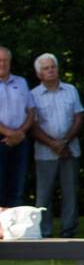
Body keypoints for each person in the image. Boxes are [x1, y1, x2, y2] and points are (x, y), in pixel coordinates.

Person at [29, 53, 84, 238]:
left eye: (53, 66)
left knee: (70, 193)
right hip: (45, 153)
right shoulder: (33, 95)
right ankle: (44, 232)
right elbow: (33, 125)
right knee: (44, 196)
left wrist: (64, 142)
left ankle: (68, 231)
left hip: (70, 150)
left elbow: (78, 118)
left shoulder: (70, 90)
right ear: (39, 74)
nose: (51, 70)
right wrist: (53, 144)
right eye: (46, 68)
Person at [0, 46, 35, 208]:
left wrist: (20, 133)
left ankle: (13, 228)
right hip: (2, 138)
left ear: (10, 62)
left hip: (21, 139)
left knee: (17, 185)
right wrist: (9, 133)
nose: (2, 64)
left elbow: (31, 110)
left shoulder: (21, 82)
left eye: (5, 60)